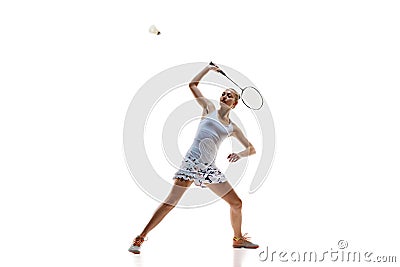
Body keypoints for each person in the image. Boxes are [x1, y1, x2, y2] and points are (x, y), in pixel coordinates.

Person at [129, 63, 258, 254]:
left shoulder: (232, 127)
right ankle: (139, 238)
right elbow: (193, 85)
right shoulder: (209, 108)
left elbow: (251, 148)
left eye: (230, 95)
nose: (225, 95)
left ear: (235, 103)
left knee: (236, 203)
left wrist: (239, 154)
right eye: (224, 93)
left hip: (209, 168)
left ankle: (238, 239)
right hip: (192, 162)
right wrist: (208, 69)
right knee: (170, 202)